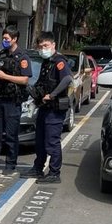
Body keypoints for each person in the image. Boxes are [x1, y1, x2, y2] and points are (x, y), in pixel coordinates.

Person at [24, 31, 72, 184]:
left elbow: (67, 79)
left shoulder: (59, 61)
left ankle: (54, 173)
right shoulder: (47, 62)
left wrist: (52, 95)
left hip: (54, 109)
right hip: (44, 107)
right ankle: (38, 168)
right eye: (40, 46)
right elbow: (40, 82)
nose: (42, 48)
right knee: (40, 140)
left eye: (45, 45)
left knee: (52, 142)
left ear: (53, 45)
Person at [0, 26, 31, 175]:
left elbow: (25, 80)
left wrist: (5, 77)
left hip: (13, 101)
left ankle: (10, 165)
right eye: (3, 39)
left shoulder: (22, 57)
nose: (4, 41)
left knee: (11, 135)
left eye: (6, 39)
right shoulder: (2, 55)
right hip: (0, 99)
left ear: (14, 39)